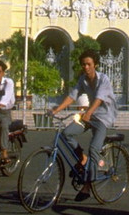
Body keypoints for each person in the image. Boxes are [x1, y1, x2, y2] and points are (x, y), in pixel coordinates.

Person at [49, 50, 117, 199]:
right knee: (66, 133)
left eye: (89, 64)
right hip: (89, 115)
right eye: (83, 64)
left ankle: (87, 186)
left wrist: (88, 113)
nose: (86, 67)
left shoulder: (103, 79)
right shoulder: (83, 80)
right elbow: (73, 95)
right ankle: (82, 158)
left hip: (103, 118)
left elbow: (99, 98)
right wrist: (57, 109)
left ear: (95, 65)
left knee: (94, 148)